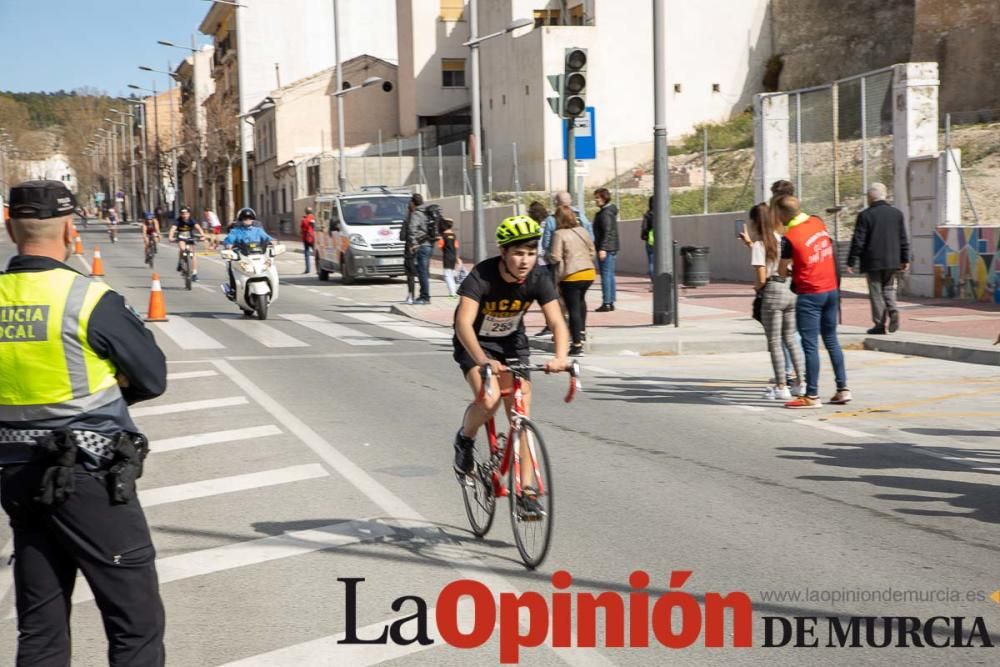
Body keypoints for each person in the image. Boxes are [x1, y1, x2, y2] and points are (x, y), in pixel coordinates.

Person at [1, 180, 167, 665]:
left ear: (12, 230)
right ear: (71, 231)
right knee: (135, 622)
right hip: (88, 479)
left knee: (41, 625)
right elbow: (152, 377)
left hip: (17, 477)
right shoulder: (88, 299)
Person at [452, 215, 570, 517]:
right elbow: (462, 322)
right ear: (503, 252)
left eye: (531, 253)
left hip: (512, 344)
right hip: (476, 344)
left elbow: (557, 321)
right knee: (489, 400)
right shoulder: (482, 275)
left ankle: (527, 492)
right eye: (518, 252)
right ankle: (465, 439)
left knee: (521, 418)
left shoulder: (539, 277)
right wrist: (481, 360)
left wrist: (560, 357)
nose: (525, 260)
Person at [775, 196, 851, 408]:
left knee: (810, 345)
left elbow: (782, 271)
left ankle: (812, 395)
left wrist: (790, 271)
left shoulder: (789, 237)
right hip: (831, 290)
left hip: (810, 294)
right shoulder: (818, 222)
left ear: (782, 214)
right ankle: (842, 389)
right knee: (831, 340)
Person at [749, 202, 805, 400]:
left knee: (774, 342)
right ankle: (801, 382)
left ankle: (781, 385)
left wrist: (757, 287)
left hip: (772, 291)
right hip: (789, 289)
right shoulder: (781, 238)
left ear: (755, 222)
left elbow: (761, 277)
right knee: (791, 339)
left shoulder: (759, 244)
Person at [846, 183, 910, 334]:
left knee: (876, 293)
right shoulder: (896, 214)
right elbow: (903, 238)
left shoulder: (865, 215)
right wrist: (904, 258)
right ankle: (893, 309)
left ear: (870, 197)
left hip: (872, 261)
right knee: (888, 288)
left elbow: (858, 240)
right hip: (892, 260)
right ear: (884, 195)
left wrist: (851, 260)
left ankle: (879, 325)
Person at [548, 204, 596, 357]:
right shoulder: (582, 231)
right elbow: (592, 250)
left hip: (571, 274)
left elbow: (555, 256)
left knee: (572, 308)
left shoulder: (559, 234)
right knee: (581, 302)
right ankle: (581, 331)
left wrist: (548, 257)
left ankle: (576, 344)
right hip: (588, 272)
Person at [221, 207, 274, 300]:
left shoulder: (258, 230)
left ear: (253, 219)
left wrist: (273, 243)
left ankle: (271, 286)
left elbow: (268, 238)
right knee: (230, 267)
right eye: (245, 218)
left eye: (249, 218)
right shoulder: (236, 231)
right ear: (241, 220)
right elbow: (229, 240)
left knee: (271, 266)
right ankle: (233, 290)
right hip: (242, 257)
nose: (247, 220)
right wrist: (228, 245)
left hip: (258, 256)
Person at [404, 193, 435, 305]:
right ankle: (424, 295)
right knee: (424, 272)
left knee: (422, 273)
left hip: (421, 246)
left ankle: (424, 297)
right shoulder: (428, 212)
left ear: (413, 202)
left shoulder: (416, 213)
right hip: (430, 245)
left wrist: (413, 244)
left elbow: (412, 230)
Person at [592, 187, 619, 312]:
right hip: (610, 247)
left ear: (604, 198)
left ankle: (607, 302)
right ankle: (610, 301)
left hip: (606, 248)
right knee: (610, 275)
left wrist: (602, 248)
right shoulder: (607, 212)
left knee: (606, 275)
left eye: (598, 198)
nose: (596, 200)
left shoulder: (605, 213)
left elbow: (607, 232)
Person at [167, 205, 206, 281]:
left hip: (190, 238)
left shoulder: (191, 220)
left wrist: (203, 235)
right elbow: (173, 229)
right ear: (180, 215)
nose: (184, 215)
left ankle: (194, 273)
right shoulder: (178, 221)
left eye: (186, 214)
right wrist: (170, 237)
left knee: (193, 254)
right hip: (181, 238)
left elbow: (198, 227)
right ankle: (180, 262)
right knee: (182, 248)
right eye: (182, 214)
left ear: (189, 214)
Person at [399, 194, 422, 304]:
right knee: (423, 273)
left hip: (410, 249)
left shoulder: (409, 219)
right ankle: (424, 295)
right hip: (424, 247)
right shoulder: (424, 215)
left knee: (410, 275)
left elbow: (402, 237)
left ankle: (411, 296)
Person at [437, 217, 460, 297]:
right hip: (453, 257)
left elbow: (440, 246)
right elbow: (456, 246)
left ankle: (452, 293)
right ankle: (455, 291)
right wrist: (457, 258)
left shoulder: (443, 236)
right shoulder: (454, 235)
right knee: (451, 275)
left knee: (447, 275)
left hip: (447, 257)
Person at [640, 196, 655, 289]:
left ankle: (654, 283)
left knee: (652, 262)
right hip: (662, 241)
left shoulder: (648, 214)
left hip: (650, 241)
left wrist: (644, 236)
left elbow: (644, 228)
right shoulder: (662, 213)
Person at [300, 206, 316, 274]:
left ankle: (307, 269)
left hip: (305, 237)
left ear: (305, 212)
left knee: (307, 254)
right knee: (316, 253)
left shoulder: (304, 219)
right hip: (313, 237)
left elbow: (301, 227)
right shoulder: (314, 218)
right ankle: (318, 269)